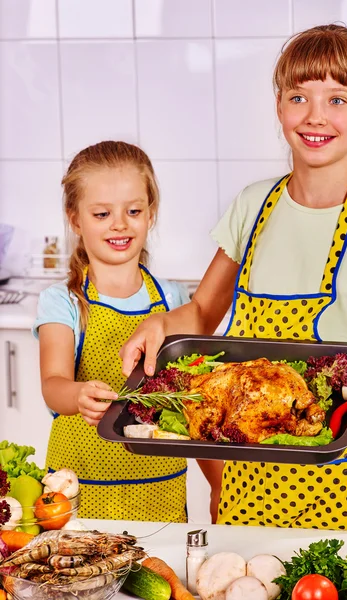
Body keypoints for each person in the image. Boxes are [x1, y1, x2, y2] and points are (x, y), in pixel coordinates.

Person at [120, 25, 347, 531]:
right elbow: (203, 314)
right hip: (248, 485)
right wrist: (160, 323)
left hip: (345, 488)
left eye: (337, 98)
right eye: (299, 97)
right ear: (279, 107)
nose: (316, 116)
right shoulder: (252, 207)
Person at [33, 140, 222, 522]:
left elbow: (192, 401)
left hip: (159, 487)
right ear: (75, 219)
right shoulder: (63, 301)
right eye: (102, 214)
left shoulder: (172, 299)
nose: (119, 224)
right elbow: (53, 385)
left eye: (133, 210)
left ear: (150, 214)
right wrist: (79, 395)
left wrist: (219, 485)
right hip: (79, 491)